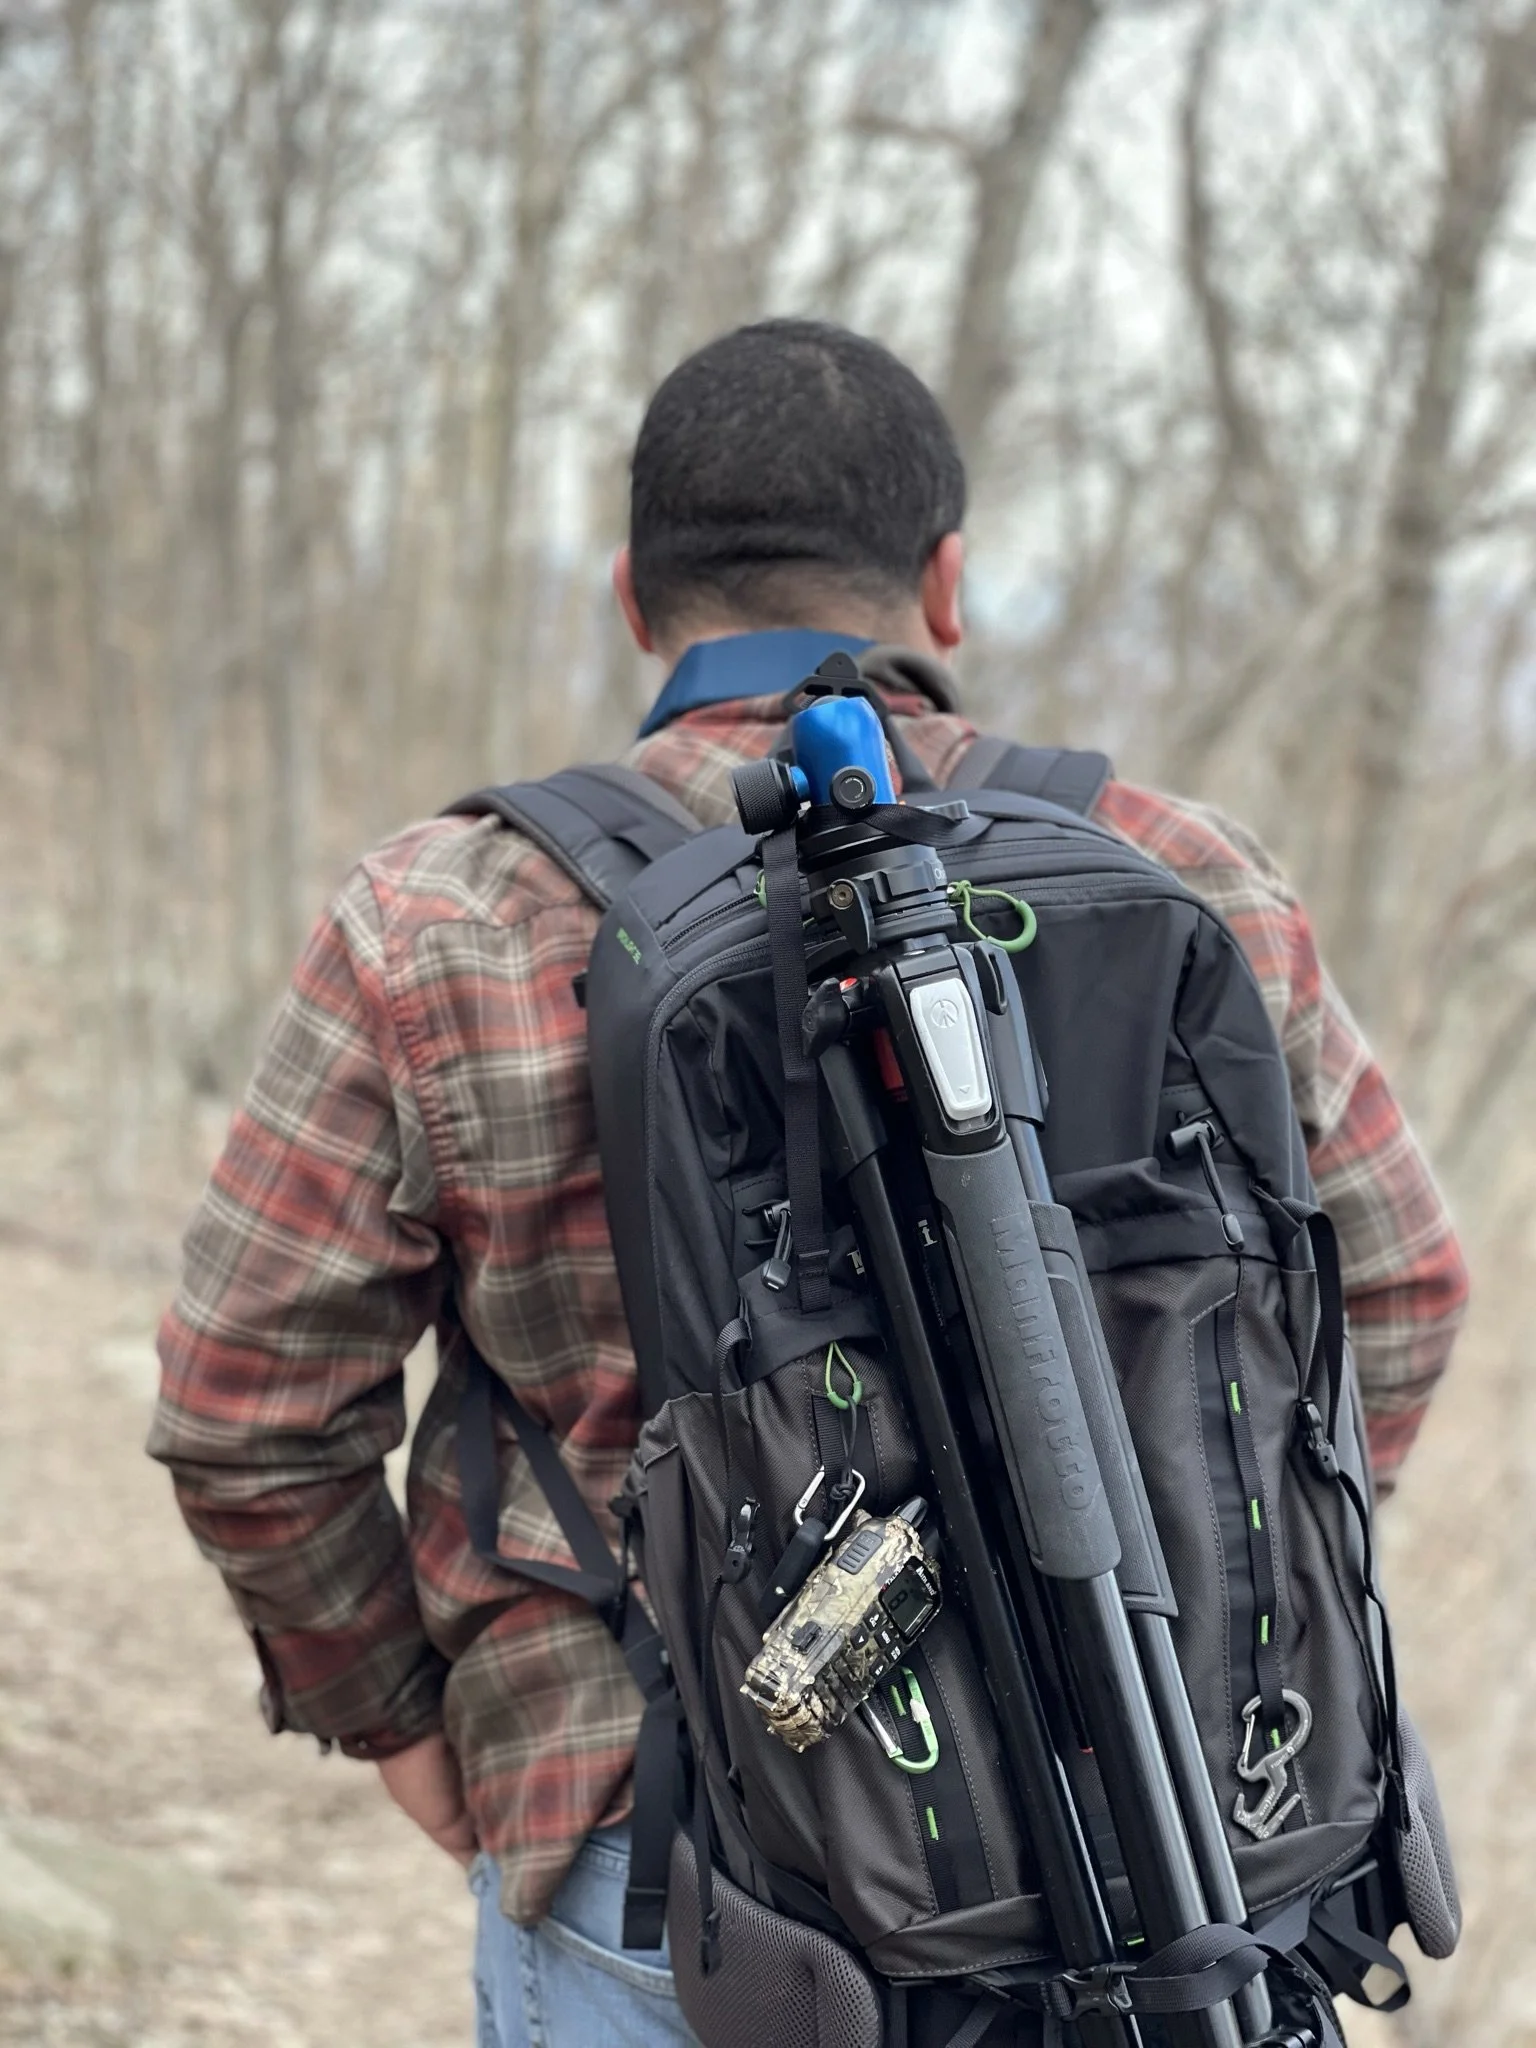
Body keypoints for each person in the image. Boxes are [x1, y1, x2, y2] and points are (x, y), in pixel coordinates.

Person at [149, 319, 1469, 2048]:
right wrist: (1200, 1585)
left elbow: (245, 1402)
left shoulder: (446, 919)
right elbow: (1400, 1285)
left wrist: (408, 1721)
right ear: (948, 579)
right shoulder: (1179, 872)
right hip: (1176, 1856)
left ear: (633, 594)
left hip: (672, 1875)